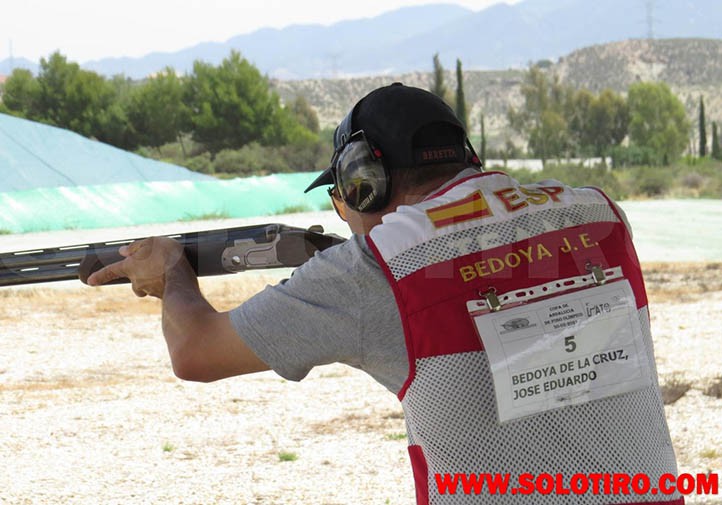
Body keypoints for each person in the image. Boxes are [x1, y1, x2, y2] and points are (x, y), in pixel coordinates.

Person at [88, 83, 683, 504]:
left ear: (361, 183)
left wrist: (171, 274)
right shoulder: (597, 215)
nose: (343, 212)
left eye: (342, 195)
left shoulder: (372, 271)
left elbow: (196, 351)